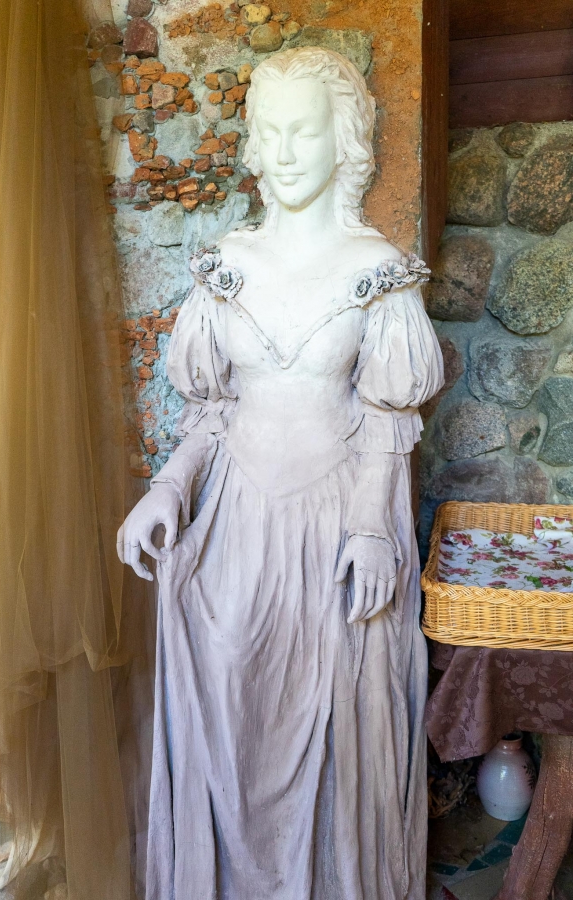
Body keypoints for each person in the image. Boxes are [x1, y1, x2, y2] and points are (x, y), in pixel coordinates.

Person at [117, 46, 444, 900]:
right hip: (236, 521)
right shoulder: (228, 264)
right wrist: (167, 487)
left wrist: (371, 530)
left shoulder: (376, 270)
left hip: (335, 525)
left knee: (335, 718)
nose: (287, 151)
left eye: (306, 131)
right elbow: (211, 410)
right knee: (230, 710)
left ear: (345, 141)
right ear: (255, 143)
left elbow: (387, 422)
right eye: (273, 131)